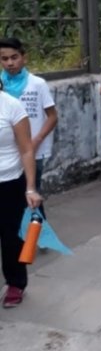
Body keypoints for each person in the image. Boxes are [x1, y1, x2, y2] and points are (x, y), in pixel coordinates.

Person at [0, 38, 57, 219]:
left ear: (24, 58)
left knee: (31, 191)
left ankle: (37, 232)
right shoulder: (1, 87)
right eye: (4, 59)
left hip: (33, 150)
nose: (10, 63)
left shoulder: (37, 84)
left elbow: (52, 116)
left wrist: (37, 140)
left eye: (14, 57)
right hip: (8, 152)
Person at [0, 76, 43, 308]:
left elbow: (26, 149)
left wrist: (30, 187)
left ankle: (16, 283)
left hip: (9, 181)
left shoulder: (11, 106)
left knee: (11, 238)